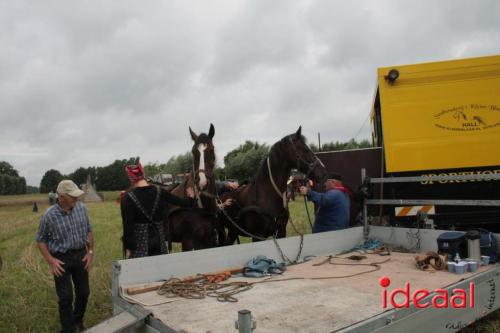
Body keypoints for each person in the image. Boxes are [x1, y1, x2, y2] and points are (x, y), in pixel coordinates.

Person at [35, 180, 93, 333]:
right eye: (72, 196)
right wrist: (51, 260)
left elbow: (88, 230)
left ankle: (78, 320)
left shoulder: (82, 208)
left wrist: (90, 252)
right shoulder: (49, 216)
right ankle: (68, 329)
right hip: (61, 259)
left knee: (84, 293)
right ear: (61, 197)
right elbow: (40, 239)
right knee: (66, 297)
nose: (76, 199)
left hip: (81, 255)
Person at [120, 162, 195, 258]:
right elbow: (184, 203)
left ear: (131, 178)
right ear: (144, 175)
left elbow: (128, 227)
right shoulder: (160, 191)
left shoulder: (128, 198)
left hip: (140, 246)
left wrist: (128, 248)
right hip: (159, 243)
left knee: (142, 271)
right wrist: (191, 197)